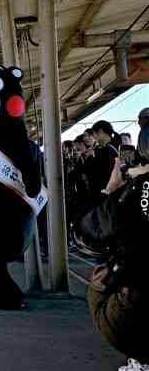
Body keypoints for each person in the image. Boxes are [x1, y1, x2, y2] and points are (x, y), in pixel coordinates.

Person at [76, 109, 149, 369]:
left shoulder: (139, 190)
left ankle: (142, 358)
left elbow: (86, 236)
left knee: (100, 287)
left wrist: (112, 189)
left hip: (136, 307)